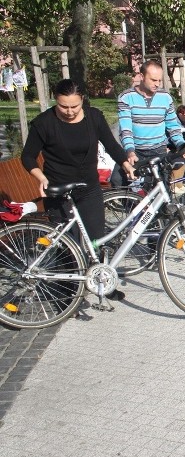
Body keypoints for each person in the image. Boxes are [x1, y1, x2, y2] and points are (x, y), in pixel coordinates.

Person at [22, 79, 135, 300]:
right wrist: (40, 176)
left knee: (96, 240)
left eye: (74, 106)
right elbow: (27, 156)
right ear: (56, 100)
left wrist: (125, 163)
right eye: (64, 106)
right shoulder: (44, 123)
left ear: (82, 99)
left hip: (89, 188)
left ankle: (103, 283)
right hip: (58, 190)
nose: (70, 111)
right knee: (68, 246)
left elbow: (111, 145)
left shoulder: (94, 117)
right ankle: (68, 295)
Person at [117, 60, 185, 167]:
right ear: (141, 76)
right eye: (153, 80)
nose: (157, 84)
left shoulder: (165, 97)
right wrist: (130, 151)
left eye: (160, 80)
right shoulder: (126, 97)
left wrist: (181, 145)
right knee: (117, 180)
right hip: (136, 150)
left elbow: (173, 126)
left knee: (161, 183)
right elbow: (125, 129)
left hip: (159, 151)